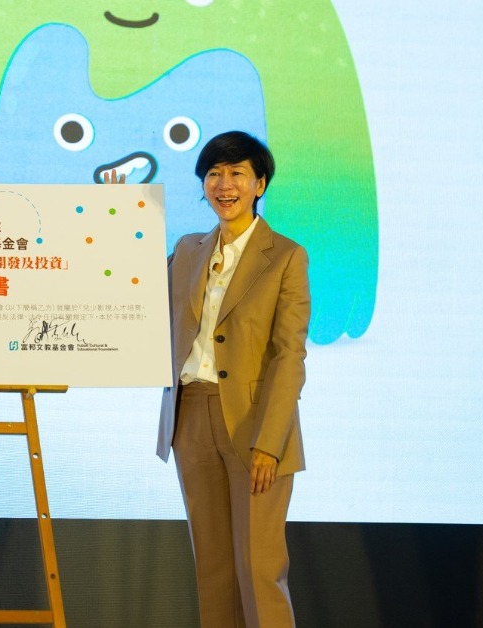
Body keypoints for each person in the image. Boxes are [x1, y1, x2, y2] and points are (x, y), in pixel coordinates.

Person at [108, 130, 309, 627]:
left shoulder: (286, 256)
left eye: (237, 173)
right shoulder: (188, 249)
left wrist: (270, 444)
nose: (225, 184)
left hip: (255, 425)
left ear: (260, 184)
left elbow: (289, 357)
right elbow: (137, 292)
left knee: (258, 569)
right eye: (214, 174)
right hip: (191, 416)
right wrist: (116, 215)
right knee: (214, 570)